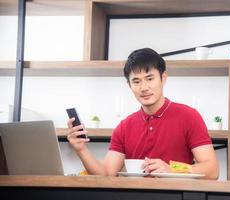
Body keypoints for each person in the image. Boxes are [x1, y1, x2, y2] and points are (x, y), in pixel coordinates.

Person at [67, 48, 219, 179]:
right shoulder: (124, 127)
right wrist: (81, 149)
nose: (144, 87)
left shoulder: (189, 116)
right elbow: (106, 174)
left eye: (150, 78)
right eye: (136, 81)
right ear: (129, 85)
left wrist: (172, 170)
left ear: (163, 78)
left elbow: (212, 170)